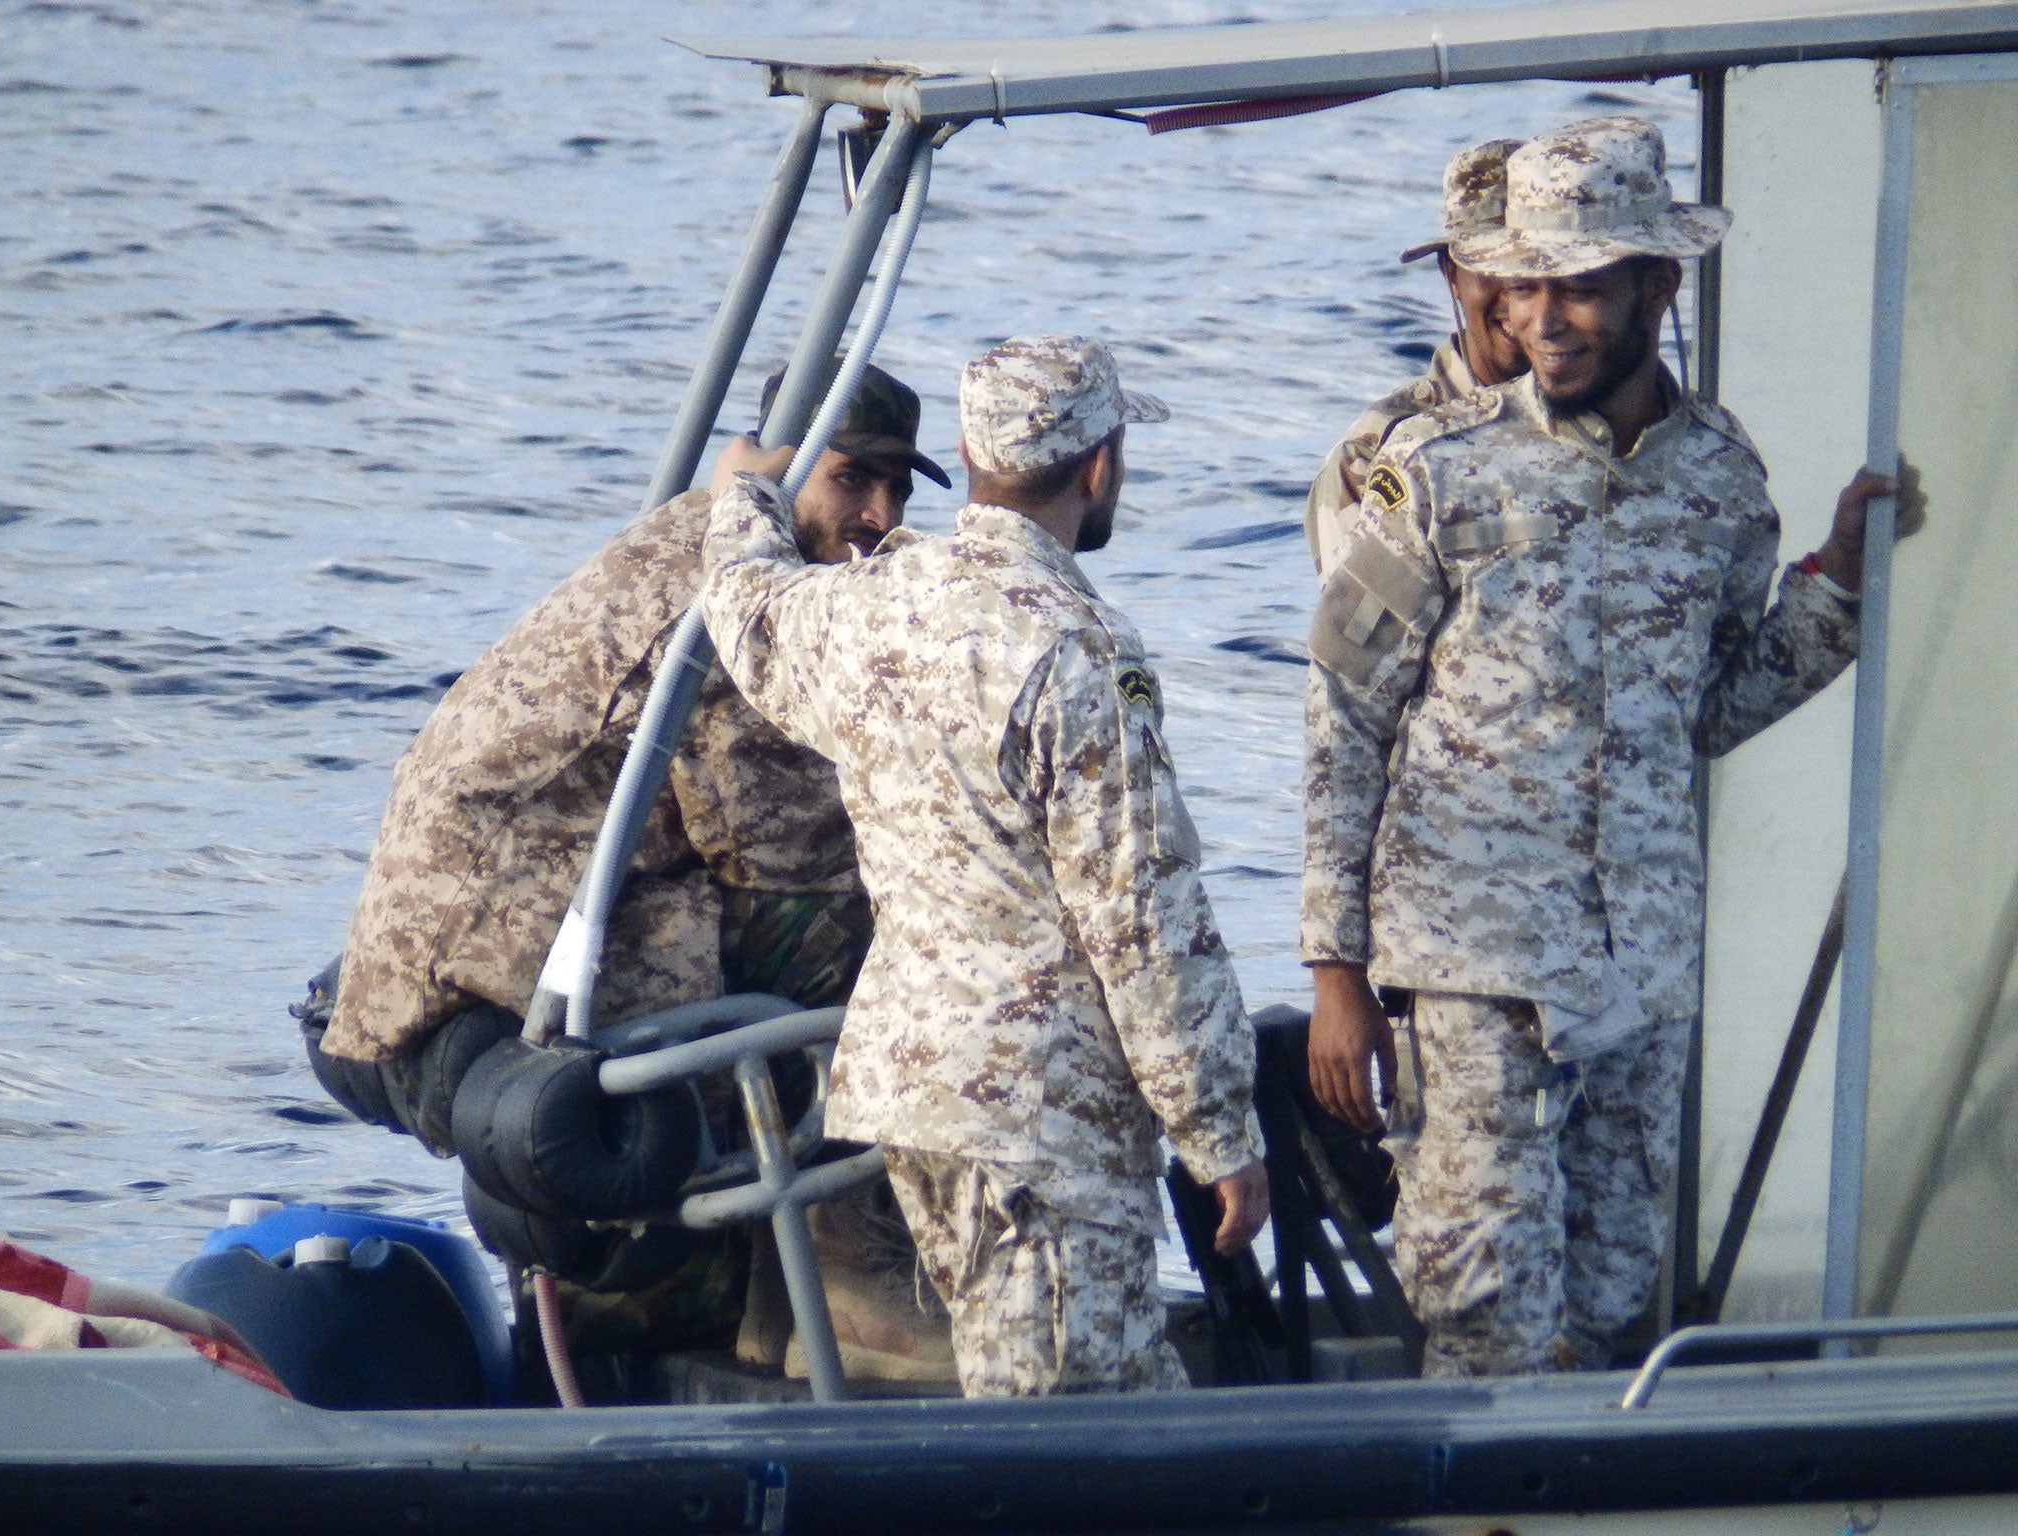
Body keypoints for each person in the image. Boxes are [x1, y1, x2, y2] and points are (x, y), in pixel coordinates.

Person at [1299, 117, 1914, 1376]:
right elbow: (1342, 714)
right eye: (1523, 286)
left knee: (1614, 1306)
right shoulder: (1437, 471)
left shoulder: (1719, 483)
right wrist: (1333, 973)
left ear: (1657, 285)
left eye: (1579, 285)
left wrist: (1836, 590)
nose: (1543, 317)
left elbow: (1708, 711)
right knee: (1482, 1310)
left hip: (1637, 970)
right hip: (1472, 964)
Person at [313, 359, 957, 1385]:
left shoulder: (710, 539)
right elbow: (787, 854)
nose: (879, 511)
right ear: (781, 469)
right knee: (879, 933)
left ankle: (742, 1297)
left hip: (491, 919)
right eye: (852, 480)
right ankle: (848, 1280)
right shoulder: (730, 597)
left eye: (898, 486)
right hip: (501, 938)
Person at [698, 335, 1270, 1397]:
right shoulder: (1077, 650)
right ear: (1098, 464)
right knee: (1070, 1432)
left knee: (1066, 1398)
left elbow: (748, 609)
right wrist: (1217, 1129)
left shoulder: (871, 607)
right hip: (1039, 1121)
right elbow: (1140, 919)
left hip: (916, 1098)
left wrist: (745, 491)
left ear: (964, 452)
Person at [1304, 137, 1529, 580]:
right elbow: (1359, 638)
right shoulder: (1375, 453)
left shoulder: (1618, 417)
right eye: (1489, 264)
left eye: (1535, 265)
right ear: (1451, 275)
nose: (1517, 292)